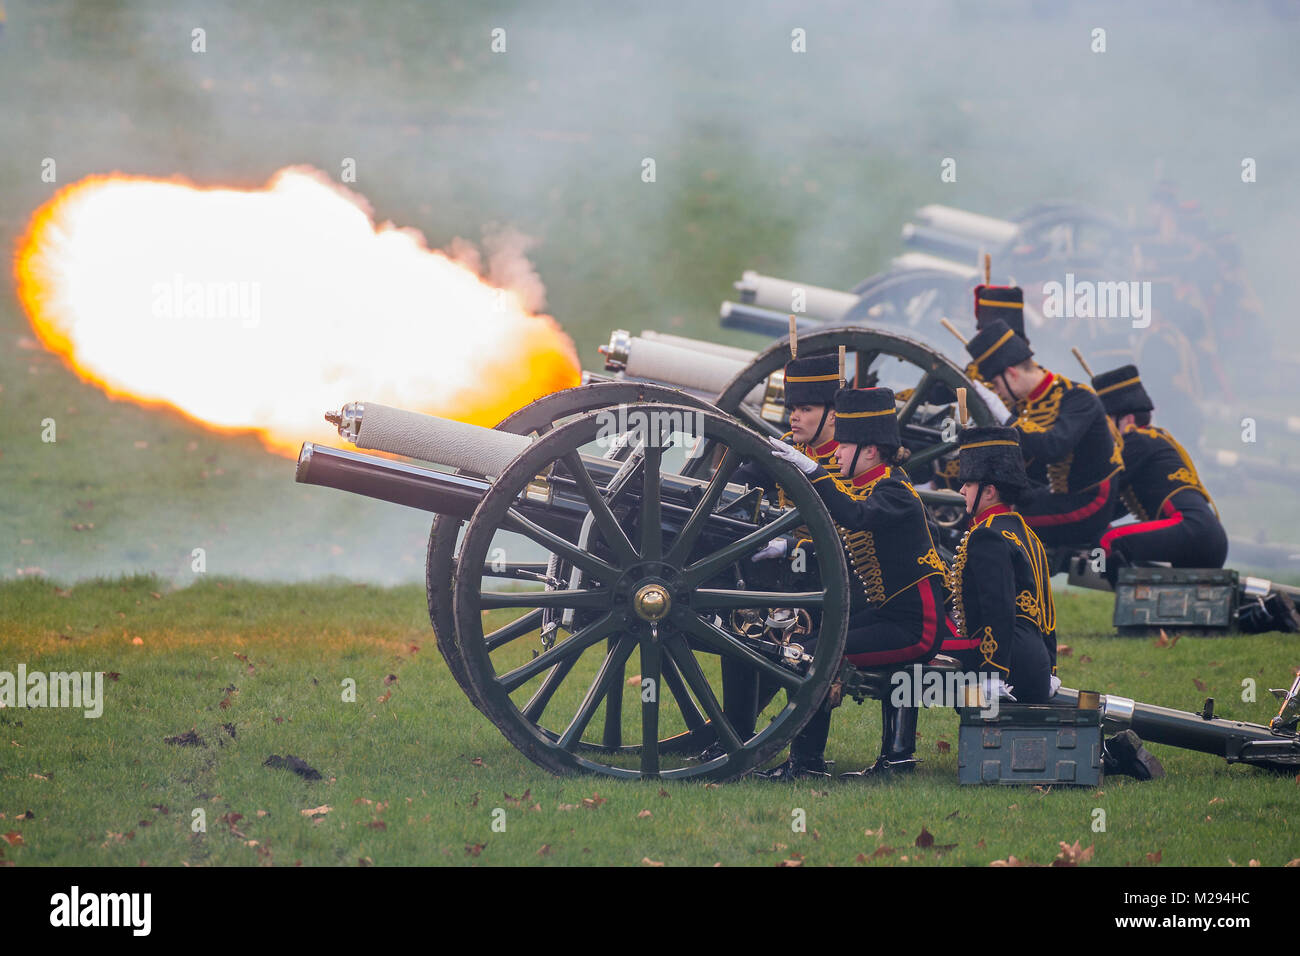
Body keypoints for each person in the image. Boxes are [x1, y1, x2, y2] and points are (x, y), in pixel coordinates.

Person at [758, 386, 951, 780]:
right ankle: (813, 761)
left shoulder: (893, 489)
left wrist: (811, 472)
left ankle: (807, 765)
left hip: (915, 628)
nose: (837, 453)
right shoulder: (870, 485)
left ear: (870, 450)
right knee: (808, 648)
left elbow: (855, 515)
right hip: (887, 617)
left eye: (844, 445)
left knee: (812, 656)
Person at [964, 319, 1122, 552]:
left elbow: (1053, 447)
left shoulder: (1078, 397)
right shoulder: (1025, 404)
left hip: (1088, 503)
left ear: (1012, 374)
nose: (998, 393)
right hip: (1050, 496)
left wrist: (1004, 417)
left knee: (990, 520)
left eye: (996, 385)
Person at [946, 425, 1056, 703]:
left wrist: (994, 674)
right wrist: (1051, 669)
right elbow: (1046, 611)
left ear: (989, 491)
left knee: (907, 671)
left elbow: (999, 608)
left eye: (968, 484)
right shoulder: (1026, 533)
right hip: (1035, 663)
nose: (961, 490)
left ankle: (898, 747)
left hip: (1006, 665)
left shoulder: (986, 535)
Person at [1091, 364, 1227, 569]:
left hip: (1192, 531)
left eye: (1108, 420)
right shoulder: (1153, 440)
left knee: (1107, 542)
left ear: (1127, 419)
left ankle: (1094, 571)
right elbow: (1109, 506)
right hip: (1207, 538)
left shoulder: (1136, 441)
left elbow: (1098, 487)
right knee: (1103, 536)